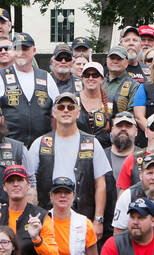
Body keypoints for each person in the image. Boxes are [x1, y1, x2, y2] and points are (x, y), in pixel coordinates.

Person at [25, 92, 109, 229]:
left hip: (83, 218)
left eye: (70, 107)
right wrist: (31, 215)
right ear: (53, 112)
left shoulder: (92, 143)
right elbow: (29, 184)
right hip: (47, 218)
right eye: (61, 107)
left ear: (78, 112)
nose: (65, 110)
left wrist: (98, 220)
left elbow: (101, 184)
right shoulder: (40, 143)